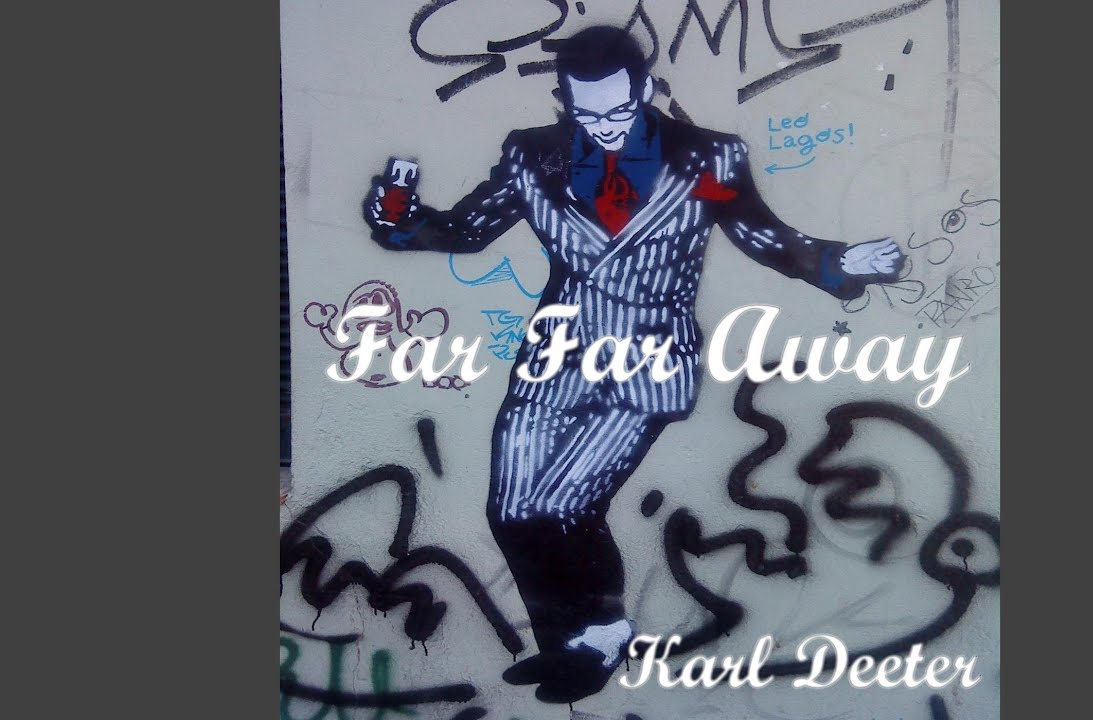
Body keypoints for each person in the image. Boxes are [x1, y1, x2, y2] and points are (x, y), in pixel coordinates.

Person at [363, 25, 904, 704]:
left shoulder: (705, 158)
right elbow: (467, 230)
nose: (606, 126)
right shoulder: (534, 156)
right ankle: (569, 644)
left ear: (644, 89)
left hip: (647, 362)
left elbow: (758, 235)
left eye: (619, 109)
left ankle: (600, 636)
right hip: (556, 358)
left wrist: (837, 260)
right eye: (587, 114)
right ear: (565, 102)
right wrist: (397, 216)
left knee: (565, 504)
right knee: (512, 512)